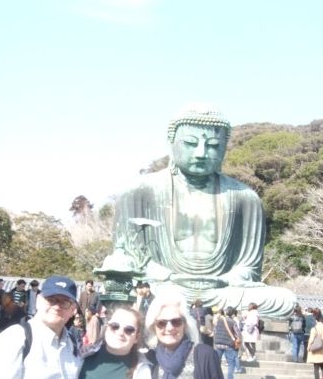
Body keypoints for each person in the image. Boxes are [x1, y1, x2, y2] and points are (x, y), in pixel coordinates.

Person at [110, 106, 295, 319]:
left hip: (221, 291)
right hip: (162, 286)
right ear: (172, 142)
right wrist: (170, 276)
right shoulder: (141, 191)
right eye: (189, 143)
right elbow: (128, 258)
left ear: (225, 148)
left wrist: (225, 280)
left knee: (283, 299)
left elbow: (249, 267)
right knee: (126, 291)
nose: (200, 153)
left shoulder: (245, 198)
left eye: (213, 146)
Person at [212, 307, 239, 379]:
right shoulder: (233, 322)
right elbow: (238, 333)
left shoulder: (219, 320)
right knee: (231, 362)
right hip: (229, 344)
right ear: (233, 314)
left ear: (226, 312)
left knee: (216, 362)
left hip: (218, 343)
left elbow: (215, 330)